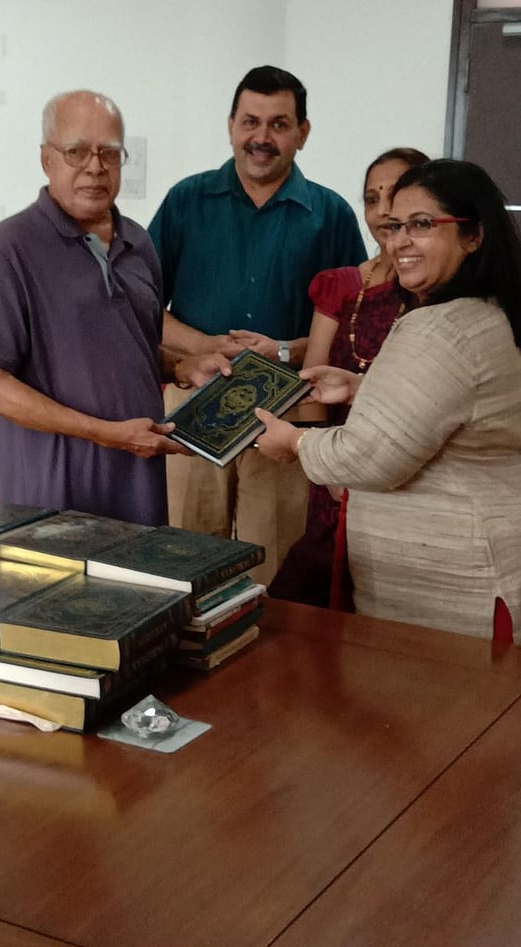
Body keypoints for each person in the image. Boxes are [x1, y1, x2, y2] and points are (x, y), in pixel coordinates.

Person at [255, 159, 521, 656]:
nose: (400, 242)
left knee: (485, 727)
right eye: (395, 226)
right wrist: (361, 389)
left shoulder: (441, 328)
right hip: (500, 560)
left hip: (487, 574)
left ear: (474, 235)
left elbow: (369, 457)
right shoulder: (479, 311)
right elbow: (454, 407)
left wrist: (293, 441)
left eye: (422, 225)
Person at [0, 90, 227, 527]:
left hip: (137, 481)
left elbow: (124, 343)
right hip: (52, 492)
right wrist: (108, 435)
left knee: (143, 589)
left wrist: (183, 369)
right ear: (47, 159)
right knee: (58, 594)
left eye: (109, 153)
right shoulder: (9, 250)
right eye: (76, 151)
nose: (95, 166)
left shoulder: (139, 243)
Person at [148, 65, 367, 586]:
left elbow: (354, 326)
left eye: (278, 124)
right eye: (250, 122)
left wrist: (285, 351)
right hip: (193, 404)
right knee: (185, 549)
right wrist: (202, 344)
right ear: (230, 126)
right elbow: (141, 306)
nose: (261, 138)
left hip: (287, 410)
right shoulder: (186, 201)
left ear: (302, 133)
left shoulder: (331, 215)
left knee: (273, 558)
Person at [268, 147, 430, 606]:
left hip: (405, 472)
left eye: (395, 198)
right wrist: (325, 470)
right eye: (371, 198)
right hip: (335, 468)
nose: (382, 212)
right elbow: (313, 383)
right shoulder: (341, 284)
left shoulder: (435, 289)